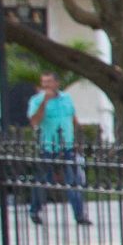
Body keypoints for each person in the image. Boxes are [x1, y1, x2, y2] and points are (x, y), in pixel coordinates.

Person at [25, 73, 88, 227]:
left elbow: (73, 118)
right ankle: (35, 210)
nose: (46, 85)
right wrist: (44, 102)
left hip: (67, 146)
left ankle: (79, 215)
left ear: (56, 83)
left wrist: (77, 139)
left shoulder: (66, 98)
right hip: (48, 146)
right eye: (43, 82)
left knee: (72, 181)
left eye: (49, 82)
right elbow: (34, 121)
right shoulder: (36, 100)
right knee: (43, 180)